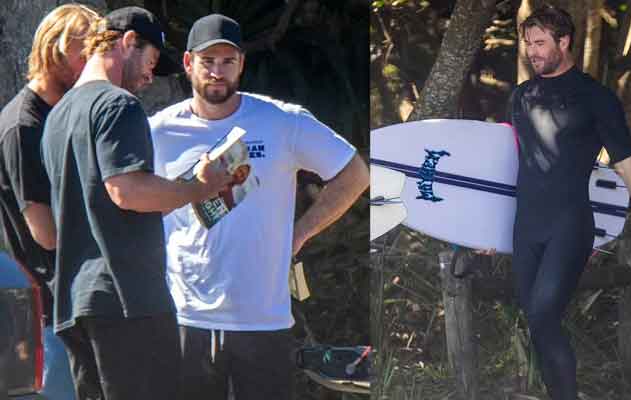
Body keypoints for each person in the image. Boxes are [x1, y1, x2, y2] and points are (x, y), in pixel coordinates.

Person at [149, 14, 369, 400]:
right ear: (187, 64)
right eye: (207, 61)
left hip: (262, 318)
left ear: (242, 64)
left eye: (227, 61)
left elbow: (355, 174)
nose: (217, 72)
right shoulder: (159, 130)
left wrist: (299, 234)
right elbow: (130, 198)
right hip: (186, 316)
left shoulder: (280, 121)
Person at [40, 7, 233, 400]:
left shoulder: (57, 115)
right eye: (149, 62)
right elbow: (126, 191)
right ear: (128, 42)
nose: (148, 77)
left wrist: (173, 192)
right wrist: (200, 187)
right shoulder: (118, 105)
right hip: (128, 301)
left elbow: (102, 202)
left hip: (75, 304)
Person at [509, 5, 631, 400]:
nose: (533, 51)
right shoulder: (522, 96)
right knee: (536, 322)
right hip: (525, 226)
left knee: (544, 315)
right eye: (528, 43)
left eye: (541, 43)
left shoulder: (596, 98)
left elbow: (627, 164)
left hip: (569, 224)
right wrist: (480, 227)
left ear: (565, 42)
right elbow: (511, 161)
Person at [0, 5, 99, 397]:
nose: (89, 65)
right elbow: (45, 232)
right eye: (82, 53)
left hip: (75, 305)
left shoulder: (63, 113)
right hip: (46, 311)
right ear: (53, 49)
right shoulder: (23, 126)